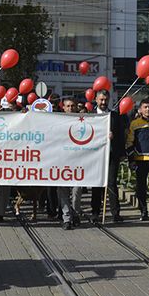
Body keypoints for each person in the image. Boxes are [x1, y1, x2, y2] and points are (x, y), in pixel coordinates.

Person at [90, 90, 125, 223]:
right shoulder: (90, 116)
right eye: (101, 100)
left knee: (111, 183)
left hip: (111, 155)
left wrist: (121, 152)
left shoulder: (115, 116)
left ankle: (115, 213)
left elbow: (121, 135)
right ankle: (95, 213)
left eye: (105, 100)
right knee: (96, 185)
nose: (103, 102)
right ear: (96, 100)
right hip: (96, 156)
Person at [57, 97, 83, 230]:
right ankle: (67, 218)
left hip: (78, 163)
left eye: (73, 106)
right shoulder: (58, 123)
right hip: (61, 163)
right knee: (63, 192)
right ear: (63, 107)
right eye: (68, 106)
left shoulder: (82, 123)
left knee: (77, 192)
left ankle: (75, 213)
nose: (70, 108)